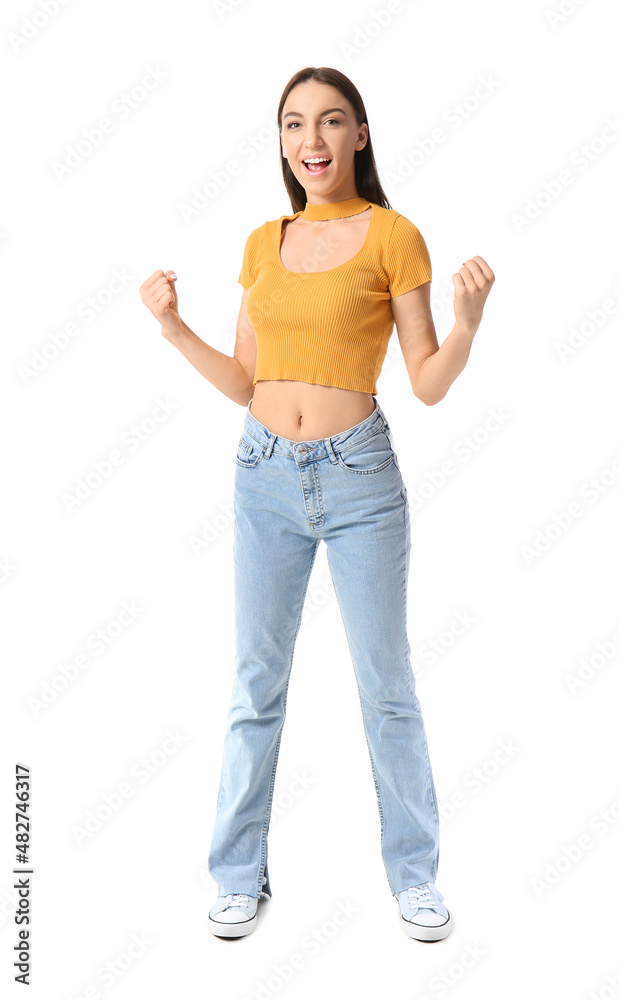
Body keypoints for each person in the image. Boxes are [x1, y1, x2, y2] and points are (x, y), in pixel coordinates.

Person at [139, 66, 494, 943]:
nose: (313, 140)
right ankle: (236, 874)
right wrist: (173, 326)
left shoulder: (392, 235)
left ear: (359, 136)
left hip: (358, 478)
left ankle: (414, 876)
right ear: (284, 142)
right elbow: (244, 380)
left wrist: (467, 325)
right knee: (255, 685)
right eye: (296, 124)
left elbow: (426, 383)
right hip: (261, 473)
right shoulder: (265, 242)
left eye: (331, 122)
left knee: (386, 687)